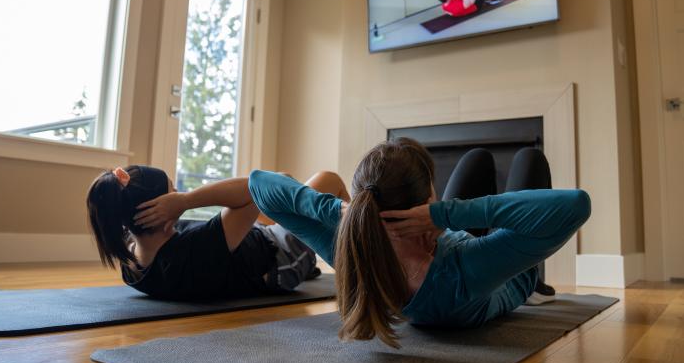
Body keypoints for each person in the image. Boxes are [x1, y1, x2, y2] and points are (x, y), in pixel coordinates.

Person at [248, 138, 590, 348]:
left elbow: (259, 185)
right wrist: (445, 215)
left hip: (448, 240)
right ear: (428, 197)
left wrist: (337, 210)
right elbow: (574, 205)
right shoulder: (461, 275)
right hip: (504, 272)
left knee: (477, 158)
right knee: (530, 160)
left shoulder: (355, 251)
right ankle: (536, 283)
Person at [86, 165, 350, 301]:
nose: (178, 193)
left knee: (285, 179)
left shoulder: (130, 259)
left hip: (248, 240)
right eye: (173, 191)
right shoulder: (193, 251)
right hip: (278, 257)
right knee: (327, 180)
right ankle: (363, 256)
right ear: (164, 215)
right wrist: (187, 200)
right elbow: (256, 187)